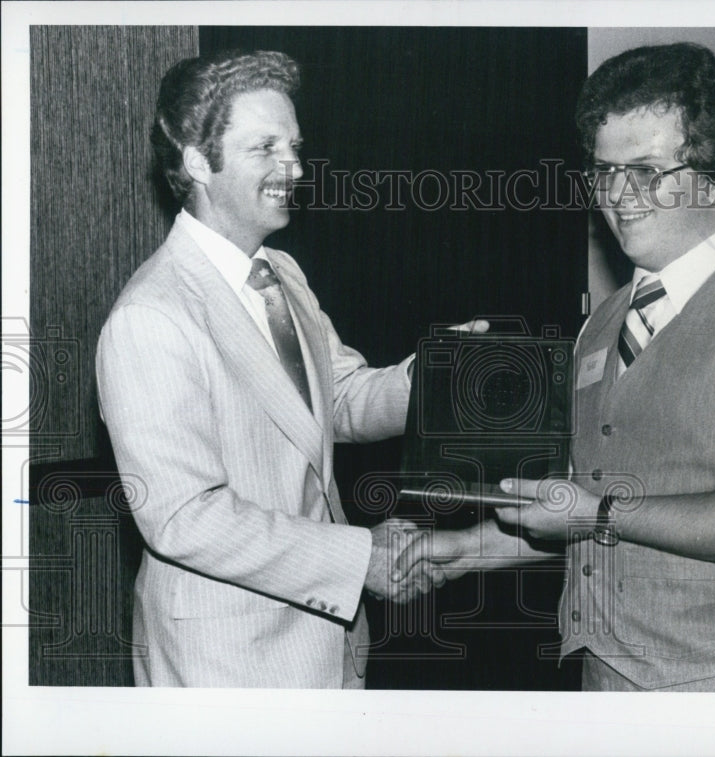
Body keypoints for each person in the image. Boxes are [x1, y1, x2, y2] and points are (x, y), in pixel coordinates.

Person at [398, 43, 715, 692]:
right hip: (608, 679)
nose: (618, 196)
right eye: (603, 172)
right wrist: (459, 551)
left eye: (646, 170)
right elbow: (576, 500)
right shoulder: (603, 321)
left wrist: (595, 514)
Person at [96, 50, 466, 688]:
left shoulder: (282, 273)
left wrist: (439, 376)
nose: (293, 166)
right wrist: (358, 558)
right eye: (264, 147)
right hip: (225, 664)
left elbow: (341, 399)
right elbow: (183, 518)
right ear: (194, 161)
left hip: (327, 648)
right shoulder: (151, 316)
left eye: (294, 145)